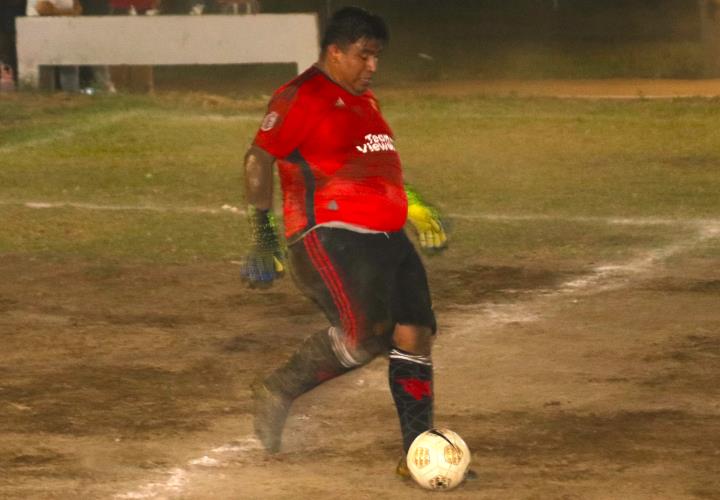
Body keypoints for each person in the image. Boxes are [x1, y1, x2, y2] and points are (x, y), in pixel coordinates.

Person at [241, 6, 454, 480]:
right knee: (364, 337)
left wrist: (417, 209)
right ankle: (280, 387)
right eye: (364, 55)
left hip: (389, 240)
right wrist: (263, 236)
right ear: (334, 51)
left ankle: (417, 454)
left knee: (414, 335)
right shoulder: (302, 96)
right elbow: (258, 160)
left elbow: (382, 172)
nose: (372, 66)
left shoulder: (366, 102)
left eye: (377, 56)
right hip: (331, 237)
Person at [26, 0, 82, 92]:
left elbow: (77, 8)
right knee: (45, 68)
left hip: (67, 31)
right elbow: (41, 8)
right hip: (43, 31)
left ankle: (72, 98)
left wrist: (53, 11)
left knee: (69, 66)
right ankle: (46, 98)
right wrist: (66, 13)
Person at [0, 0, 26, 86]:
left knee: (16, 49)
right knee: (5, 52)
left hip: (16, 18)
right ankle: (9, 79)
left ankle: (16, 79)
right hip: (4, 19)